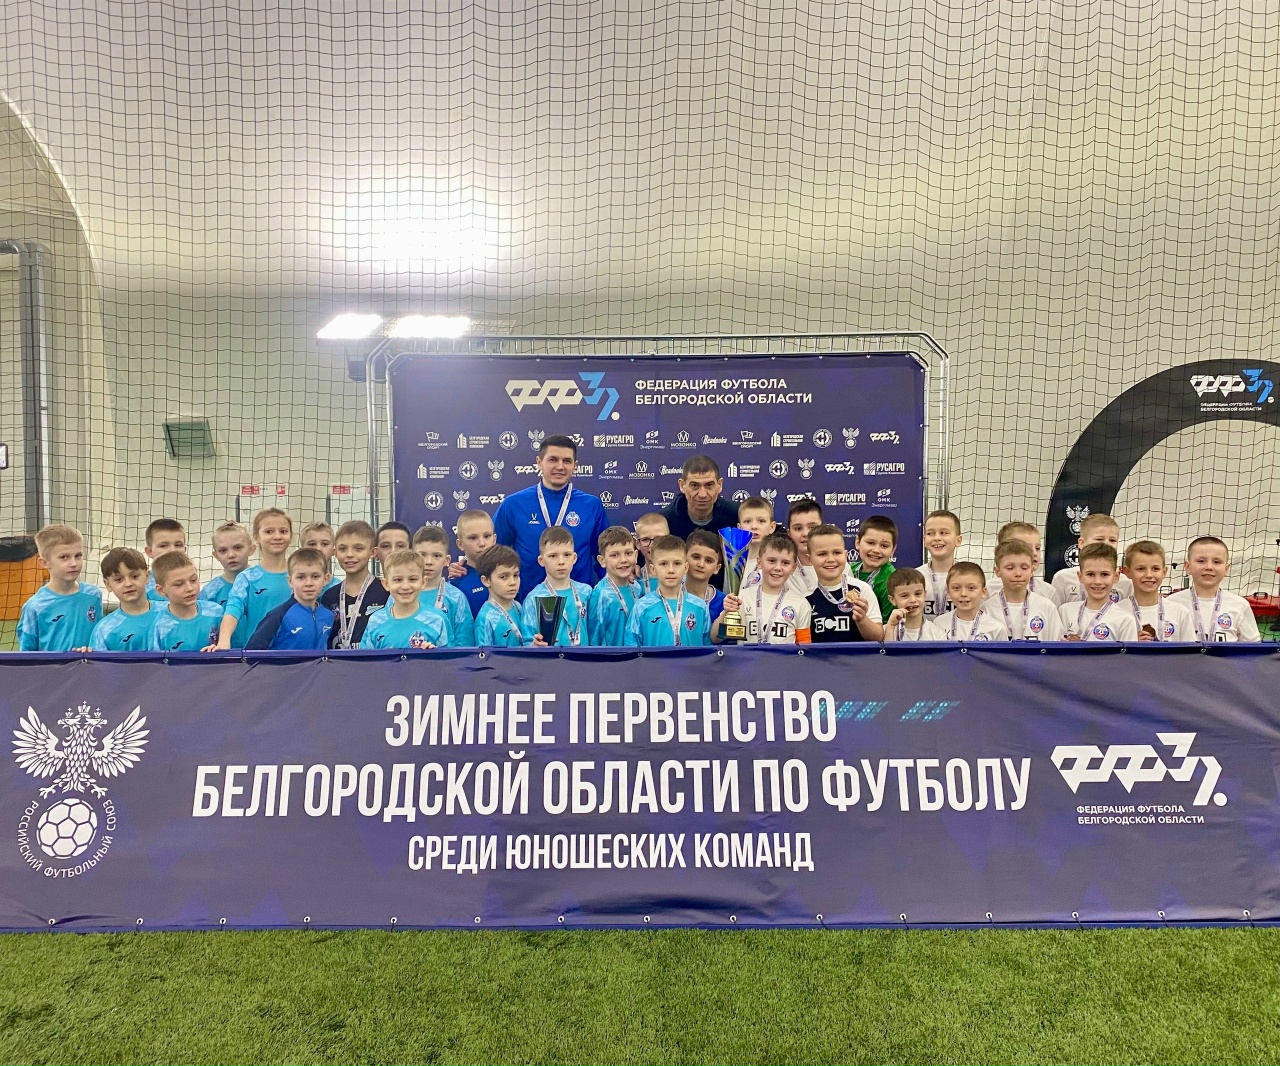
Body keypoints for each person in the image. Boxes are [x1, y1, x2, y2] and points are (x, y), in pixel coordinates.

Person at [494, 434, 609, 598]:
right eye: (553, 460)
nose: (560, 466)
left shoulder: (591, 505)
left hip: (578, 603)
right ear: (539, 462)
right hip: (527, 600)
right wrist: (467, 566)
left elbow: (604, 557)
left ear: (575, 465)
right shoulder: (513, 504)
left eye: (567, 461)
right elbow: (494, 552)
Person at [215, 508, 293, 649]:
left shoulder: (300, 575)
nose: (277, 536)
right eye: (269, 532)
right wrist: (224, 640)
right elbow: (233, 610)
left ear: (291, 536)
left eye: (283, 531)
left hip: (298, 654)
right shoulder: (247, 578)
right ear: (256, 537)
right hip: (259, 655)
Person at [18, 524, 101, 652]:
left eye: (78, 556)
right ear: (44, 563)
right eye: (64, 557)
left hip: (90, 665)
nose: (73, 563)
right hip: (52, 666)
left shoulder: (94, 595)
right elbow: (27, 655)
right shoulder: (35, 606)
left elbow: (99, 638)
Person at [660, 455, 740, 587]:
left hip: (726, 594)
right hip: (679, 594)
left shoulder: (737, 515)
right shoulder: (666, 520)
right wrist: (636, 566)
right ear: (682, 485)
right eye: (694, 486)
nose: (702, 494)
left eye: (709, 485)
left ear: (719, 485)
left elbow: (769, 542)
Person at [1168, 536, 1262, 643]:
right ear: (1187, 566)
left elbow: (1253, 647)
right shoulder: (1171, 603)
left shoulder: (1240, 605)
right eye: (1201, 561)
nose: (1209, 567)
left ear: (1226, 569)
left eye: (1216, 562)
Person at [724, 531, 812, 644]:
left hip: (783, 657)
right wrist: (726, 612)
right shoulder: (742, 597)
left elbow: (804, 647)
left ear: (793, 568)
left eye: (785, 563)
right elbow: (716, 638)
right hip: (747, 656)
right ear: (759, 562)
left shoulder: (801, 604)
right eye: (771, 561)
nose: (778, 568)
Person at [625, 535, 712, 647]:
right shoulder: (641, 607)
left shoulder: (700, 606)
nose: (671, 570)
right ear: (653, 569)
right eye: (663, 564)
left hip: (692, 660)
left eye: (677, 563)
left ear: (686, 568)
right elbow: (631, 647)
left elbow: (707, 649)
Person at [804, 524, 882, 643]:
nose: (831, 559)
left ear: (845, 556)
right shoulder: (806, 597)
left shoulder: (862, 589)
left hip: (858, 656)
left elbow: (879, 637)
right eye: (822, 554)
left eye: (837, 552)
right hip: (821, 656)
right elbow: (803, 644)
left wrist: (862, 619)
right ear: (809, 559)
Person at [246, 549, 336, 650]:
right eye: (301, 577)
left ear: (326, 579)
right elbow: (251, 653)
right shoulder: (279, 615)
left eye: (315, 576)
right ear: (290, 581)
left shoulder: (328, 615)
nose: (309, 583)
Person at [360, 550, 449, 650]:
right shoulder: (375, 621)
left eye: (412, 579)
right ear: (386, 584)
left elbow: (452, 657)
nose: (405, 586)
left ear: (423, 582)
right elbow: (366, 658)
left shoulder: (437, 619)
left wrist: (434, 654)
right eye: (398, 580)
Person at [321, 520, 389, 650]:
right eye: (342, 549)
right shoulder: (328, 596)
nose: (350, 554)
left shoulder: (386, 592)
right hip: (337, 662)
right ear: (335, 552)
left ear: (373, 552)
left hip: (375, 662)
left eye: (358, 549)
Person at [520, 526, 593, 647]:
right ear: (541, 560)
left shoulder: (587, 592)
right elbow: (527, 641)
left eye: (567, 555)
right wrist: (534, 645)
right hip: (551, 659)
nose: (561, 562)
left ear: (574, 558)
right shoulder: (534, 598)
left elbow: (596, 633)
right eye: (553, 556)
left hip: (584, 658)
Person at [984, 539, 1063, 641]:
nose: (1018, 573)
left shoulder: (1047, 607)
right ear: (997, 571)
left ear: (1032, 570)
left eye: (1024, 568)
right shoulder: (987, 609)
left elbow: (1057, 645)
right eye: (1010, 568)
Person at [1057, 544, 1137, 642]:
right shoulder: (1065, 611)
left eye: (1104, 574)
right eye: (1090, 574)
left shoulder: (1125, 619)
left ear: (1116, 577)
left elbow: (1128, 652)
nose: (1098, 581)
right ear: (1080, 576)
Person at [412, 525, 476, 646]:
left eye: (436, 556)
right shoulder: (401, 594)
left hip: (447, 658)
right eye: (422, 555)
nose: (428, 562)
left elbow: (465, 644)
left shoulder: (456, 598)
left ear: (447, 560)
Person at [150, 553, 225, 652]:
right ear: (161, 590)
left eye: (193, 580)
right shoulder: (160, 626)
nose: (189, 588)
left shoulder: (216, 612)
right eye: (179, 584)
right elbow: (155, 661)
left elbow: (231, 650)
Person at [1051, 514, 1132, 604]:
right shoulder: (1063, 578)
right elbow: (1055, 612)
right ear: (1082, 543)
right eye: (1099, 539)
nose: (1106, 544)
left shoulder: (1125, 582)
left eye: (1112, 540)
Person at [1123, 540, 1193, 642]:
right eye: (1141, 569)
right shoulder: (1117, 611)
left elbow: (1191, 650)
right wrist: (1132, 644)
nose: (1149, 575)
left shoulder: (1180, 612)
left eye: (1155, 569)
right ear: (1127, 572)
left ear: (1164, 572)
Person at [474, 545, 543, 647]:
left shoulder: (518, 606)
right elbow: (484, 655)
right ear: (486, 580)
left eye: (516, 575)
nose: (512, 582)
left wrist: (534, 645)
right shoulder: (485, 619)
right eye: (503, 577)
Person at [90, 548, 158, 651]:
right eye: (119, 579)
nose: (128, 584)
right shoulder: (104, 629)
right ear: (108, 585)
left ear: (147, 577)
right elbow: (97, 661)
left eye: (134, 576)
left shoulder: (169, 612)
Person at [588, 526, 645, 646]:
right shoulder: (601, 595)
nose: (623, 560)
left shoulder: (637, 588)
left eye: (628, 553)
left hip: (638, 655)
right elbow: (595, 641)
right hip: (612, 657)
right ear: (602, 561)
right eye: (614, 555)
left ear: (635, 556)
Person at [988, 521, 1060, 605]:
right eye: (1026, 548)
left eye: (1037, 548)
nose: (1034, 553)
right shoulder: (988, 590)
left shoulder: (1048, 591)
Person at [936, 563, 1007, 642]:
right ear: (948, 592)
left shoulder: (996, 628)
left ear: (983, 592)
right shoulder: (939, 624)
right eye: (956, 588)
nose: (963, 594)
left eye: (971, 588)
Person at [448, 509, 496, 616]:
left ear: (494, 539)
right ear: (460, 544)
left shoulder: (509, 573)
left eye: (487, 536)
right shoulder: (456, 583)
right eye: (473, 538)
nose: (482, 543)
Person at [918, 509, 962, 618]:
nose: (937, 538)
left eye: (943, 533)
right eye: (930, 533)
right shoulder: (916, 576)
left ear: (958, 540)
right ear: (924, 540)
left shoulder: (969, 576)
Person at [851, 515, 898, 618]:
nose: (876, 550)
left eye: (884, 546)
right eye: (871, 543)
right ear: (858, 542)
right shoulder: (848, 570)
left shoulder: (892, 581)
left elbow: (889, 624)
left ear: (893, 550)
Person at [200, 522, 253, 609]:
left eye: (237, 548)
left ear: (251, 549)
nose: (231, 555)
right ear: (216, 555)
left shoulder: (263, 581)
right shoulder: (209, 592)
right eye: (223, 550)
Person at [883, 569, 945, 641]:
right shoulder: (885, 631)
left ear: (924, 595)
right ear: (892, 600)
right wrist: (890, 627)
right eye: (904, 596)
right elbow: (886, 648)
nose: (913, 600)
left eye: (918, 594)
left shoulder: (937, 634)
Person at [683, 530, 726, 625]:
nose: (701, 564)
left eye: (708, 561)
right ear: (684, 558)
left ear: (717, 568)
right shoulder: (669, 594)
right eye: (696, 557)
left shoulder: (723, 603)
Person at [143, 518, 187, 601]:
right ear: (149, 551)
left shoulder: (192, 582)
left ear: (184, 550)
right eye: (163, 546)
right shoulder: (142, 588)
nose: (172, 550)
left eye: (178, 545)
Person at [633, 513, 670, 592]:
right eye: (645, 540)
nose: (652, 545)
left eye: (659, 539)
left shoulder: (683, 578)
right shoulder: (633, 580)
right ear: (638, 544)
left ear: (669, 540)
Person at [301, 521, 340, 592]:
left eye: (324, 544)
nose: (318, 549)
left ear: (333, 551)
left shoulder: (339, 587)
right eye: (312, 544)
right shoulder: (296, 584)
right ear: (302, 551)